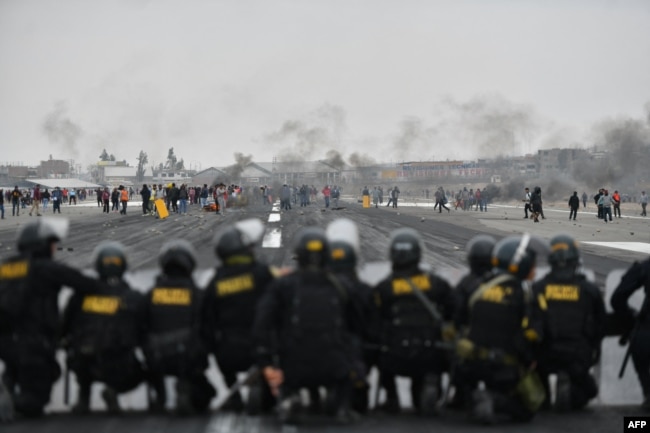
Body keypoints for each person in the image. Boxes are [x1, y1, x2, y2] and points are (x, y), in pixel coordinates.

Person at [252, 227, 364, 424]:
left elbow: (262, 324)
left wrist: (266, 364)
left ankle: (288, 397)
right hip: (335, 367)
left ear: (299, 255)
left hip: (293, 368)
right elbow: (359, 327)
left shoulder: (283, 285)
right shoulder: (341, 286)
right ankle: (342, 404)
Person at [0, 219, 99, 420]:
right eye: (52, 243)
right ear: (42, 244)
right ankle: (10, 403)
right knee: (34, 402)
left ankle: (8, 387)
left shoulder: (6, 266)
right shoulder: (44, 267)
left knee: (18, 370)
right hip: (35, 342)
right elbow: (86, 284)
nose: (54, 247)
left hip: (6, 342)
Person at [454, 234, 545, 424]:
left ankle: (467, 396)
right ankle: (494, 400)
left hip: (468, 364)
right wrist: (529, 361)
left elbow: (457, 320)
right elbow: (530, 333)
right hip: (504, 367)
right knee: (526, 411)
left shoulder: (474, 285)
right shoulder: (523, 294)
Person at [373, 227, 454, 415]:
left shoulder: (384, 288)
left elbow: (374, 321)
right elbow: (454, 312)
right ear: (418, 254)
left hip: (394, 356)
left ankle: (392, 397)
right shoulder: (436, 284)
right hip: (430, 353)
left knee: (373, 346)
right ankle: (430, 382)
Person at [61, 241, 146, 414]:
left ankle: (83, 396)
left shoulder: (79, 298)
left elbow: (64, 328)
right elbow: (144, 330)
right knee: (145, 371)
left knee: (81, 352)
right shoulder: (132, 297)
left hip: (84, 362)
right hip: (119, 363)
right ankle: (113, 391)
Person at [201, 219, 276, 414]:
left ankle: (234, 397)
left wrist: (208, 346)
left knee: (220, 351)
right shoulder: (261, 273)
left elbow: (206, 318)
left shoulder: (216, 281)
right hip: (261, 349)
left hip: (228, 351)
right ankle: (266, 392)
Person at [532, 234, 605, 411]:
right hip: (578, 354)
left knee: (538, 400)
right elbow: (600, 326)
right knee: (587, 393)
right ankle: (571, 381)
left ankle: (544, 396)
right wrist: (593, 350)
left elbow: (530, 322)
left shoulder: (538, 287)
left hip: (545, 354)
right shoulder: (590, 290)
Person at [143, 240, 215, 415]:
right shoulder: (197, 295)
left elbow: (139, 329)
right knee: (206, 396)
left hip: (156, 358)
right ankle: (185, 384)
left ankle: (159, 396)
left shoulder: (150, 295)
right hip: (187, 359)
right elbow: (208, 328)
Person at [610, 256, 650, 409]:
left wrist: (631, 317)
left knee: (640, 342)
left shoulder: (645, 267)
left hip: (647, 331)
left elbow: (617, 299)